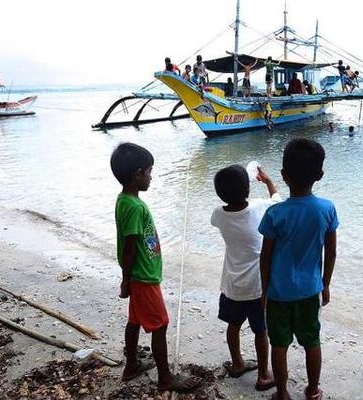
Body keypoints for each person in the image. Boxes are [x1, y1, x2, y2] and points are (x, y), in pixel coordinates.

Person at [110, 143, 201, 392]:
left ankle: (131, 365)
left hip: (141, 275)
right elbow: (129, 247)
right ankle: (165, 377)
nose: (151, 176)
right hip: (143, 277)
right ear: (137, 174)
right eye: (149, 171)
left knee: (135, 320)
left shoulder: (126, 200)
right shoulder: (134, 207)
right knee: (160, 324)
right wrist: (126, 279)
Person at [259, 138, 338, 400]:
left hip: (279, 292)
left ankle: (282, 394)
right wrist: (325, 284)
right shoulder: (326, 209)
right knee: (311, 341)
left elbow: (265, 257)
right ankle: (313, 389)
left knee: (279, 344)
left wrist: (264, 289)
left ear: (283, 175)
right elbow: (331, 253)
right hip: (309, 291)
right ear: (320, 175)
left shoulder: (274, 214)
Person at [211, 165, 280, 393]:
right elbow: (277, 201)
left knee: (233, 325)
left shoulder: (218, 215)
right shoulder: (259, 208)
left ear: (220, 194)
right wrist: (269, 181)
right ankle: (263, 375)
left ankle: (238, 363)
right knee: (261, 331)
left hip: (232, 284)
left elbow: (220, 217)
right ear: (249, 188)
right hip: (257, 286)